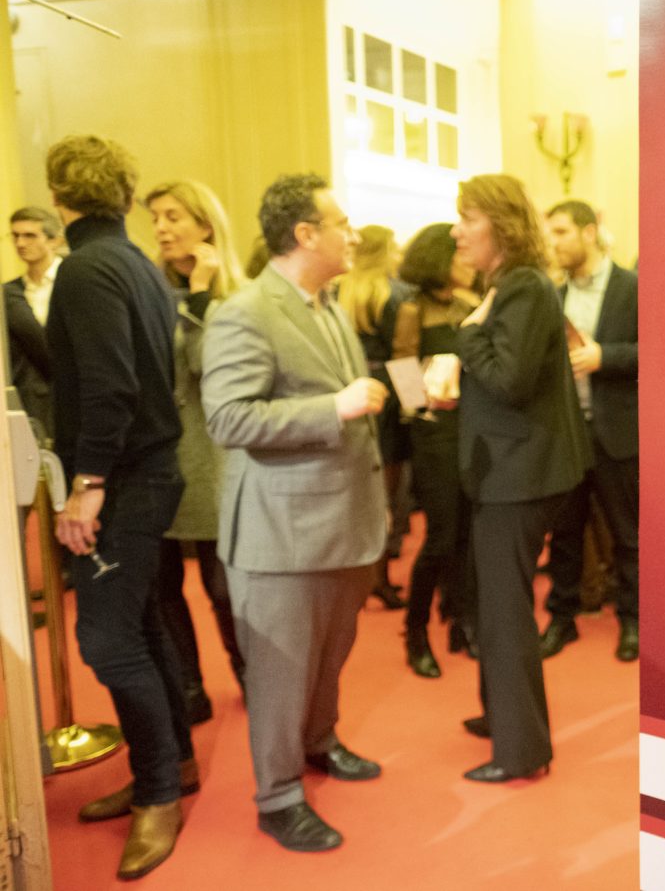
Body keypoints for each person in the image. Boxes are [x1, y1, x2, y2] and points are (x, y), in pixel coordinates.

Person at [201, 173, 387, 852]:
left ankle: (318, 740)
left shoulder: (326, 303)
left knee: (329, 655)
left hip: (342, 521)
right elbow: (228, 417)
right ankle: (278, 797)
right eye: (341, 223)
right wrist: (333, 408)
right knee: (281, 672)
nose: (352, 234)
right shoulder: (246, 311)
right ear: (305, 234)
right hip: (281, 533)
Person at [44, 135, 191, 880]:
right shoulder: (133, 261)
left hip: (126, 478)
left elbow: (111, 385)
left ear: (58, 197)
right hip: (146, 472)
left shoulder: (87, 267)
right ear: (126, 196)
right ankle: (173, 765)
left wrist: (87, 484)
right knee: (137, 625)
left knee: (106, 640)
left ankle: (159, 791)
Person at [453, 174, 591, 782]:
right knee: (495, 603)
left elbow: (508, 381)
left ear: (501, 226)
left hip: (520, 475)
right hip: (513, 471)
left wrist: (466, 334)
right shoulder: (511, 285)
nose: (457, 231)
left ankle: (521, 750)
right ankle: (503, 717)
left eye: (468, 218)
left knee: (506, 612)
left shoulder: (524, 287)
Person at [145, 181, 247, 723]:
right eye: (156, 218)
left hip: (216, 458)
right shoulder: (150, 294)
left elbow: (211, 369)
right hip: (160, 457)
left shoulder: (236, 296)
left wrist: (201, 293)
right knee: (164, 588)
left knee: (223, 586)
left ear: (205, 226)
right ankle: (189, 689)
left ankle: (251, 674)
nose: (161, 228)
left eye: (173, 216)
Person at [539, 200, 640, 662]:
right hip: (566, 434)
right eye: (550, 233)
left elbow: (661, 350)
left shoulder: (631, 287)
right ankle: (562, 618)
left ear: (588, 233)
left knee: (628, 535)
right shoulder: (552, 294)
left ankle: (633, 620)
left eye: (561, 232)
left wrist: (605, 357)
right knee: (564, 535)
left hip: (616, 430)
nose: (553, 243)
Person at [391, 223, 478, 677]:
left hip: (472, 430)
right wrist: (428, 402)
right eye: (458, 254)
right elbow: (403, 375)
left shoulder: (469, 304)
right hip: (434, 433)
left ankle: (461, 620)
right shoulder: (412, 310)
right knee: (441, 537)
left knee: (467, 534)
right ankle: (416, 629)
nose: (468, 260)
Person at [338, 224, 410, 609]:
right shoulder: (393, 294)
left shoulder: (338, 290)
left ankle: (355, 577)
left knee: (354, 493)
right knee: (386, 493)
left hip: (348, 392)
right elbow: (405, 355)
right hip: (388, 396)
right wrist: (416, 403)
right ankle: (378, 576)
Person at [6, 206, 64, 437]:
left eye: (30, 235)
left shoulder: (73, 280)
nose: (20, 243)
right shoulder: (10, 292)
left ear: (54, 240)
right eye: (16, 236)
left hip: (69, 395)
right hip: (29, 401)